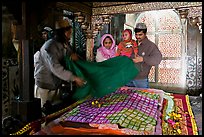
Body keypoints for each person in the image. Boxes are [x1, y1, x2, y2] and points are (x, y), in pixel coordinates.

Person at [34, 19, 86, 107]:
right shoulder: (50, 47)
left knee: (55, 111)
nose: (70, 36)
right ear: (63, 32)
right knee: (42, 112)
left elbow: (71, 55)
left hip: (55, 85)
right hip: (44, 86)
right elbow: (56, 68)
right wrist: (74, 78)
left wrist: (76, 58)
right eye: (69, 33)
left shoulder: (64, 44)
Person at [127, 22, 162, 88]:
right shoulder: (132, 44)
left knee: (143, 97)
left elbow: (158, 59)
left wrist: (143, 59)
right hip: (128, 78)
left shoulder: (151, 46)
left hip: (141, 79)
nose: (138, 37)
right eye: (136, 35)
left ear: (145, 34)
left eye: (140, 35)